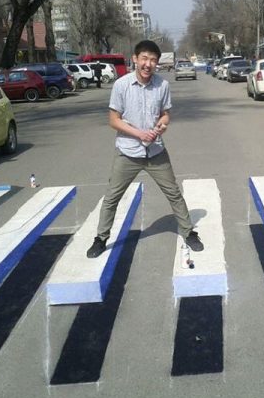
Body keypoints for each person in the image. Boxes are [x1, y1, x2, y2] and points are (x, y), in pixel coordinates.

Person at [87, 39, 203, 258]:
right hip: (128, 152)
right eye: (144, 58)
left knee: (174, 193)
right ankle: (100, 239)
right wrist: (139, 133)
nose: (148, 64)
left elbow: (165, 113)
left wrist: (163, 124)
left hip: (156, 151)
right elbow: (114, 120)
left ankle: (188, 232)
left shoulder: (162, 85)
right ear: (135, 59)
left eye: (153, 60)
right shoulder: (122, 85)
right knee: (112, 197)